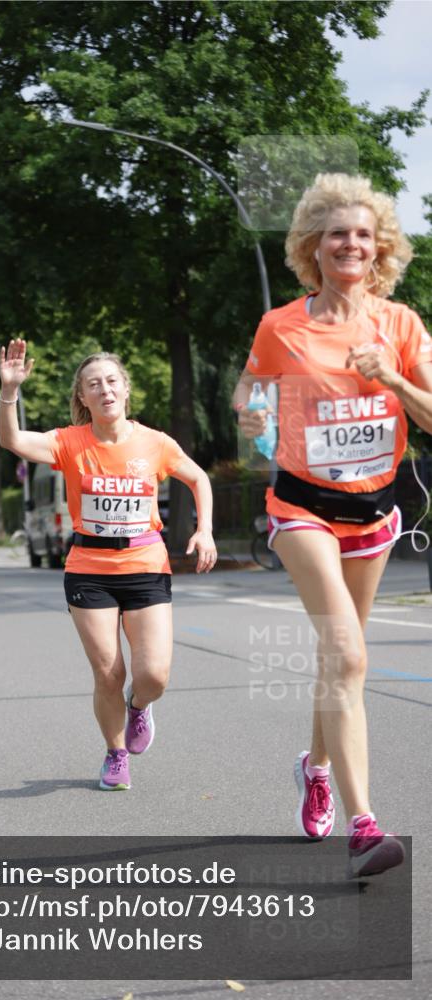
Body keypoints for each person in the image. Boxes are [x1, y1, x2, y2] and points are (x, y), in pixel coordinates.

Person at [234, 173, 432, 877]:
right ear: (312, 247)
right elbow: (249, 386)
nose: (349, 243)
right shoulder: (280, 325)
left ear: (377, 247)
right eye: (335, 233)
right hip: (301, 507)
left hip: (373, 512)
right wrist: (249, 413)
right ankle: (364, 825)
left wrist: (393, 380)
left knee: (335, 662)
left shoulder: (401, 325)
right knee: (347, 657)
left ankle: (314, 767)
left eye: (361, 233)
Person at [0, 344, 217, 791]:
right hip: (89, 568)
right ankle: (116, 754)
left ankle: (140, 706)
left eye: (111, 381)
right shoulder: (69, 441)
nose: (105, 389)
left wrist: (205, 529)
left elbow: (198, 478)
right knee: (108, 673)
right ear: (83, 397)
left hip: (145, 563)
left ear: (125, 389)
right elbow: (13, 441)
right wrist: (9, 392)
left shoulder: (154, 443)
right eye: (93, 384)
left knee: (152, 675)